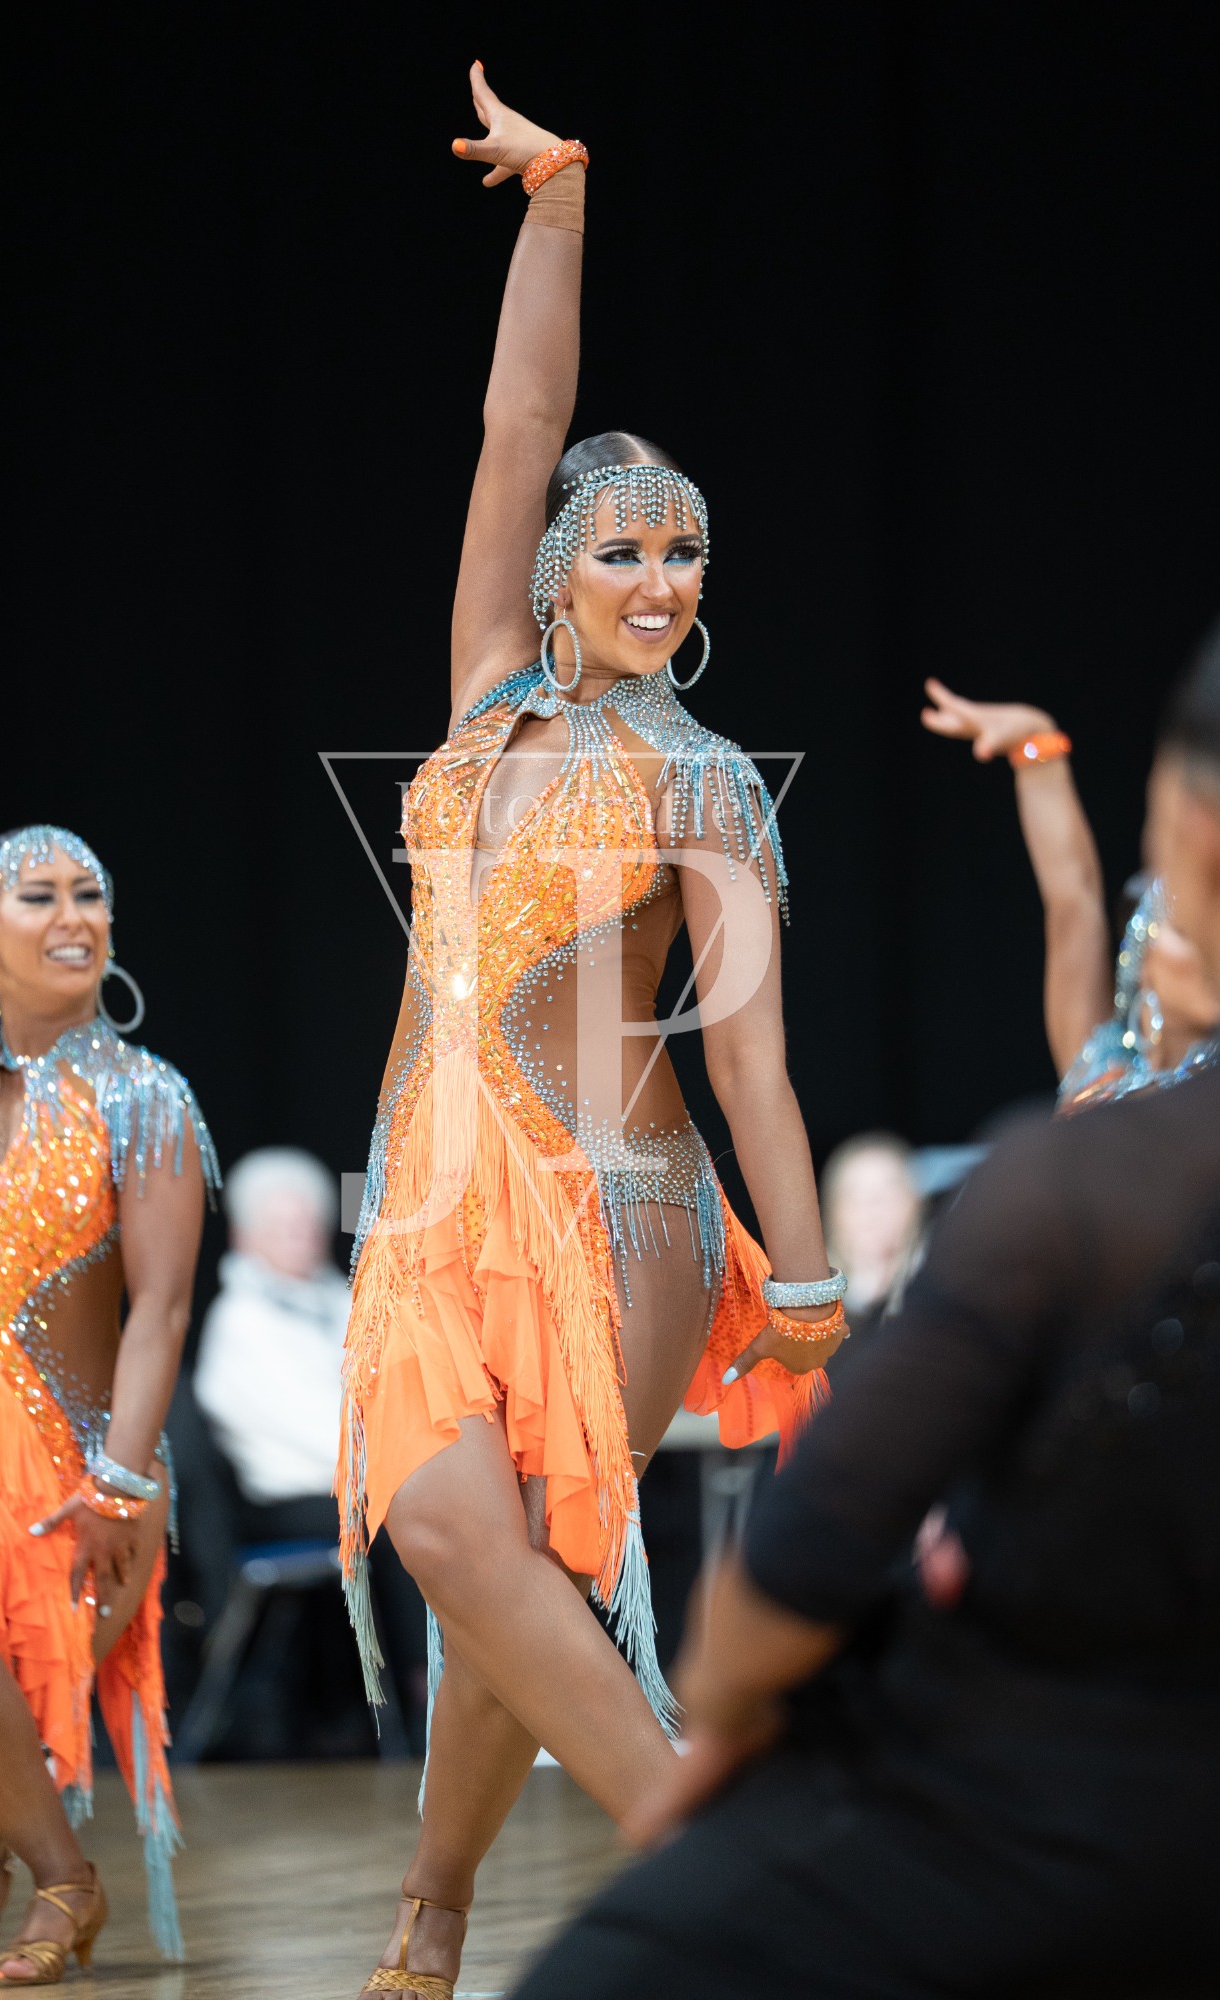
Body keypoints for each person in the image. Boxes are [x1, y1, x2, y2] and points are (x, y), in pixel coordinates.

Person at [342, 65, 846, 2000]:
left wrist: (807, 1284)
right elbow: (517, 422)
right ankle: (708, 1869)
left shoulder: (707, 780)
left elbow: (752, 1066)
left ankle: (443, 1910)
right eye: (620, 550)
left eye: (679, 553)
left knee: (528, 1575)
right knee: (454, 1545)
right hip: (423, 1211)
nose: (654, 580)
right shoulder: (482, 684)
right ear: (553, 572)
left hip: (621, 1217)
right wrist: (555, 201)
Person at [512, 635, 1220, 1998]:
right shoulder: (1101, 1076)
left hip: (1060, 1760)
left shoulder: (1076, 1181)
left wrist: (730, 1720)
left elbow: (799, 1559)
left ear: (1193, 839)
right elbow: (1073, 896)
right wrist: (1039, 758)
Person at [0, 665, 218, 1982]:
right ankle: (45, 1878)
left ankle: (9, 1869)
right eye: (41, 894)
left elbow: (164, 1308)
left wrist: (123, 1481)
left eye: (90, 894)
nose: (74, 915)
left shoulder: (148, 1094)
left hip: (80, 1458)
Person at [921, 678, 1220, 1107]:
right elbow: (1072, 899)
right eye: (1181, 931)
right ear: (1145, 973)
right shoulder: (1098, 1075)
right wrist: (1034, 747)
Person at [195, 1148, 347, 1542]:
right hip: (297, 1497)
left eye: (307, 1225)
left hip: (362, 1482)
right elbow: (301, 1425)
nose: (300, 1237)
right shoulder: (240, 1318)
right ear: (244, 1237)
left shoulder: (340, 1301)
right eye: (282, 1227)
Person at [818, 1131, 922, 1355]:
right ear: (833, 1211)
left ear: (915, 1203)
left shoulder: (941, 1291)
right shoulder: (807, 1312)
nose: (872, 1210)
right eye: (854, 1195)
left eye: (889, 1193)